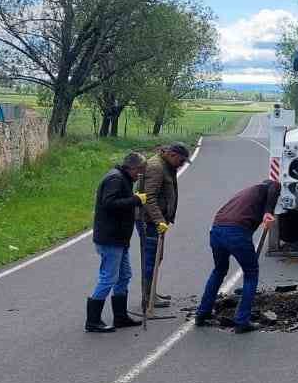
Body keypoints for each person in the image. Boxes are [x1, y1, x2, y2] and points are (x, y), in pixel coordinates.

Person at [194, 180, 278, 334]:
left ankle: (202, 313)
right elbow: (274, 186)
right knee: (251, 273)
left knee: (219, 270)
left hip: (216, 230)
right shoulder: (268, 188)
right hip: (235, 232)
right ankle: (242, 321)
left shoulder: (246, 194)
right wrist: (269, 212)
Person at [87, 152, 148, 333]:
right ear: (132, 167)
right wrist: (136, 200)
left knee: (124, 275)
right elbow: (109, 204)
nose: (140, 175)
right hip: (110, 238)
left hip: (119, 238)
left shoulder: (123, 178)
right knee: (109, 278)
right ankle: (92, 320)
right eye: (139, 171)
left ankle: (120, 316)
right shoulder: (115, 179)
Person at [135, 142, 191, 309]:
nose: (181, 165)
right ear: (172, 154)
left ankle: (151, 292)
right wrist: (159, 220)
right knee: (151, 258)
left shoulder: (166, 165)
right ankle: (147, 298)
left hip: (155, 221)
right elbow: (148, 198)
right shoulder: (156, 168)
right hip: (149, 221)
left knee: (156, 256)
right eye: (180, 161)